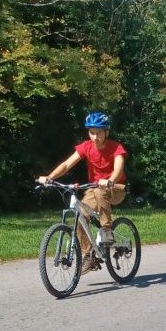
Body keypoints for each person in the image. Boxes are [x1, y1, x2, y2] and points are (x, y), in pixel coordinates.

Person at [38, 112, 127, 274]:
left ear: (106, 132)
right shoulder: (86, 147)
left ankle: (107, 230)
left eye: (98, 132)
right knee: (80, 217)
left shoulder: (115, 147)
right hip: (95, 188)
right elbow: (66, 164)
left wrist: (110, 181)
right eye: (91, 132)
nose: (95, 136)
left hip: (116, 188)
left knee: (101, 192)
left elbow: (118, 167)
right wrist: (50, 177)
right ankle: (88, 256)